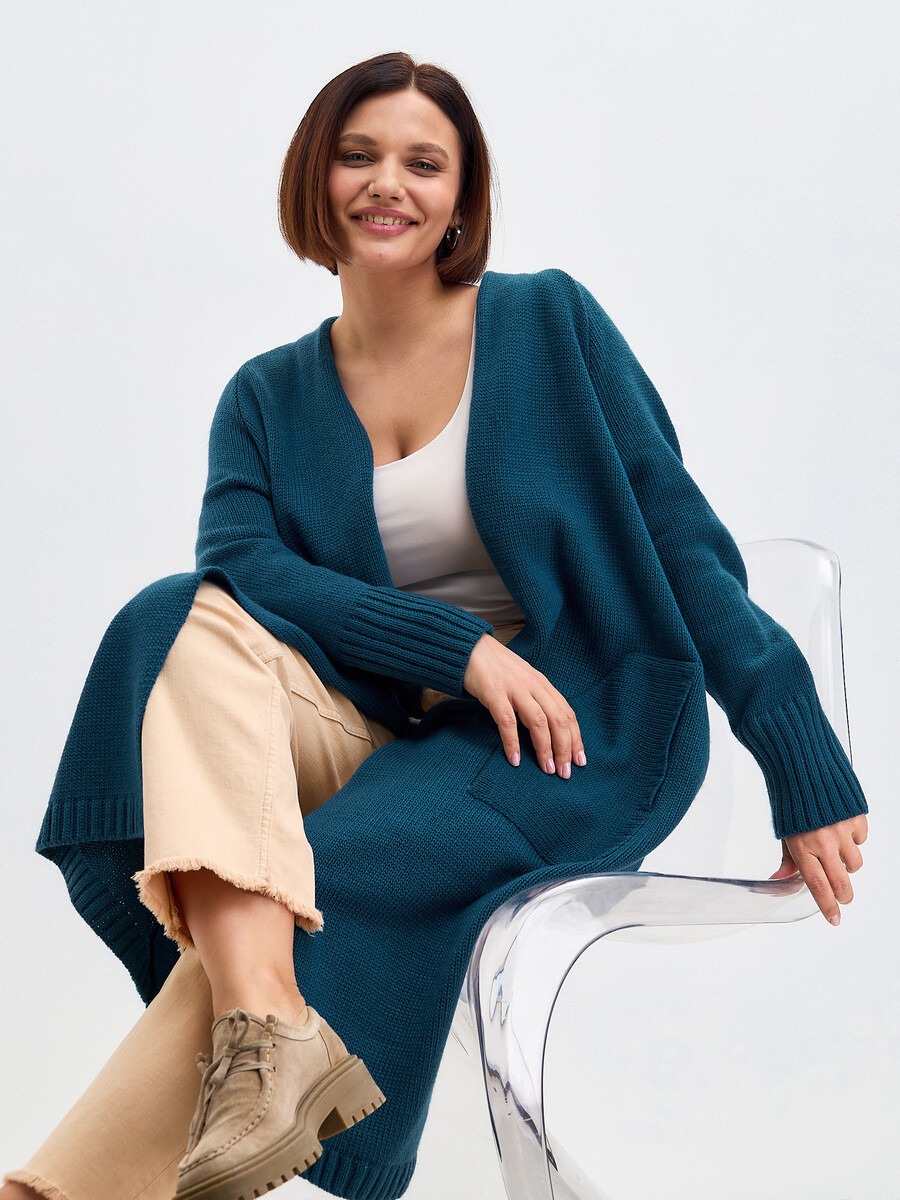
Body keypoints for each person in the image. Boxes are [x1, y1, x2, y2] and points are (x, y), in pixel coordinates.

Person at [2, 48, 868, 1200]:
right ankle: (271, 1028)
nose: (387, 183)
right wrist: (456, 650)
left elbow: (679, 537)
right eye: (358, 155)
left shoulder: (547, 324)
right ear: (317, 179)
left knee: (317, 870)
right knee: (171, 621)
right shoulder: (267, 395)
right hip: (370, 721)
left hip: (560, 736)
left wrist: (793, 740)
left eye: (424, 162)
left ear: (462, 196)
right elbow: (244, 567)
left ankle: (60, 1185)